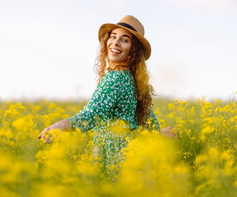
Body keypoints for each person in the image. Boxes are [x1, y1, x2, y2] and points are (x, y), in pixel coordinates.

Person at [38, 15, 176, 178]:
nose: (115, 43)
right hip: (132, 164)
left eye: (124, 40)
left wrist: (62, 125)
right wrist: (159, 134)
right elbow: (147, 116)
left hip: (114, 164)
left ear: (134, 49)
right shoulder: (132, 80)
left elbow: (91, 114)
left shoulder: (116, 78)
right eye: (113, 37)